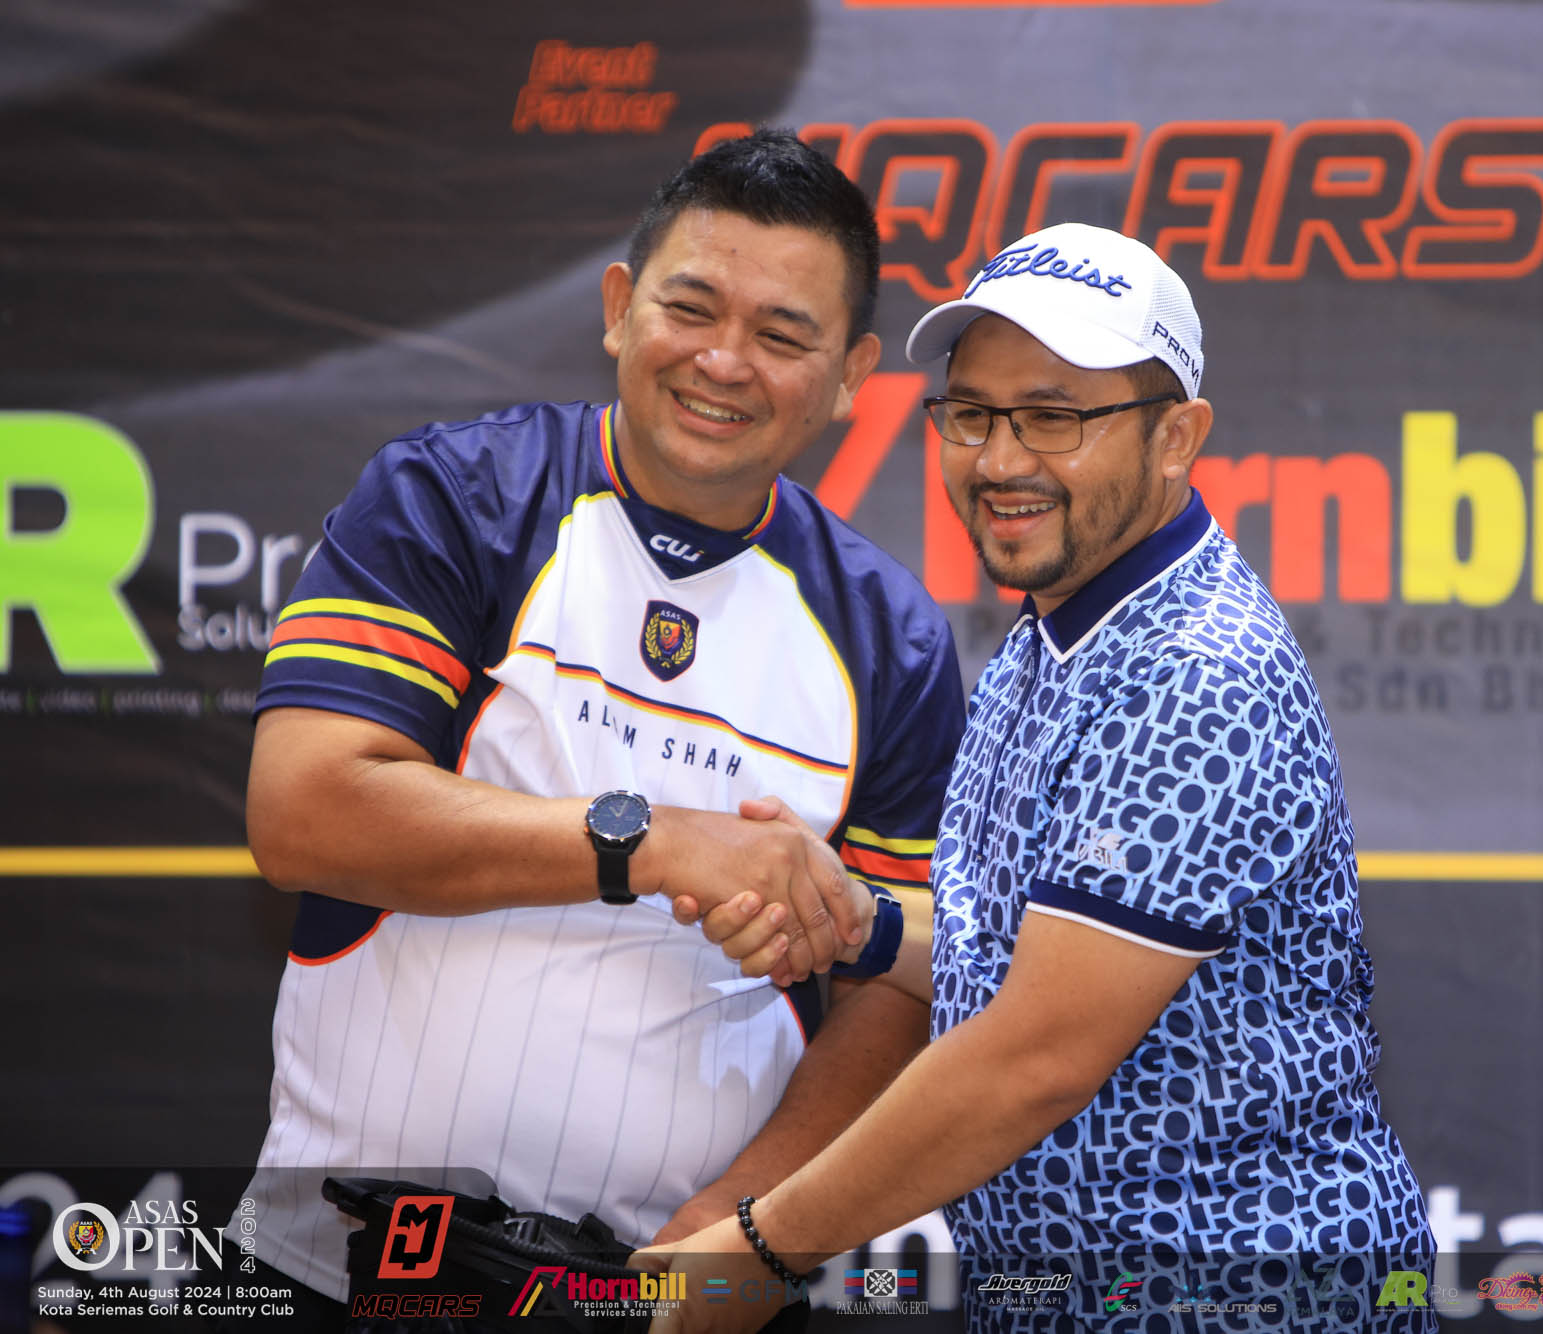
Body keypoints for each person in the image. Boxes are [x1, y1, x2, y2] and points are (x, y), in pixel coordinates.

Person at [232, 129, 965, 1323]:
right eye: (692, 307)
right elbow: (305, 812)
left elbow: (898, 983)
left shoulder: (893, 637)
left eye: (783, 336)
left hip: (653, 1297)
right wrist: (656, 841)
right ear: (621, 307)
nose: (723, 361)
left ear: (849, 375)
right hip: (330, 1264)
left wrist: (742, 1222)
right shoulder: (452, 498)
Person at [648, 222, 1435, 1332]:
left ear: (1176, 437)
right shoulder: (1055, 632)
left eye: (1054, 417)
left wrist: (761, 1248)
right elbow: (1025, 956)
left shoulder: (1193, 672)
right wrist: (858, 924)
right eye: (972, 413)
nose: (1000, 459)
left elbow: (1036, 1056)